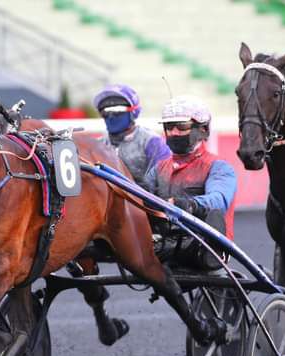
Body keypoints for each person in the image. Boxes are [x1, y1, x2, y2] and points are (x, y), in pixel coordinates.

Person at [145, 95, 237, 271]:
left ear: (203, 129)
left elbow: (219, 200)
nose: (174, 133)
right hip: (166, 242)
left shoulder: (219, 167)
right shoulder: (159, 168)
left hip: (204, 246)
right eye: (169, 127)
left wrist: (185, 205)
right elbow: (139, 195)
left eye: (182, 127)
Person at [93, 84, 171, 189]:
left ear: (133, 112)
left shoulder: (152, 142)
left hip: (144, 203)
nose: (110, 116)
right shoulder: (98, 144)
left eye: (117, 111)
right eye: (105, 112)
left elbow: (164, 184)